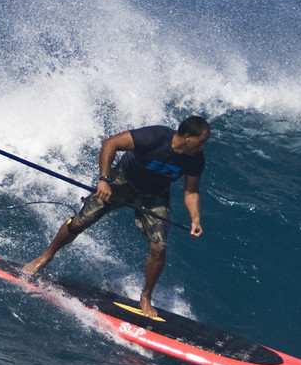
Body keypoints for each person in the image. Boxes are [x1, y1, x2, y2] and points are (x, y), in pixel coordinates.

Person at [20, 116, 210, 319]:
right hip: (122, 181)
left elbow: (191, 192)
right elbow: (111, 143)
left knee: (159, 248)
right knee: (79, 223)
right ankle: (47, 255)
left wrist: (195, 218)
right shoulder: (156, 137)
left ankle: (145, 296)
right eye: (203, 140)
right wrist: (104, 180)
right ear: (188, 137)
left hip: (155, 196)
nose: (204, 146)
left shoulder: (196, 159)